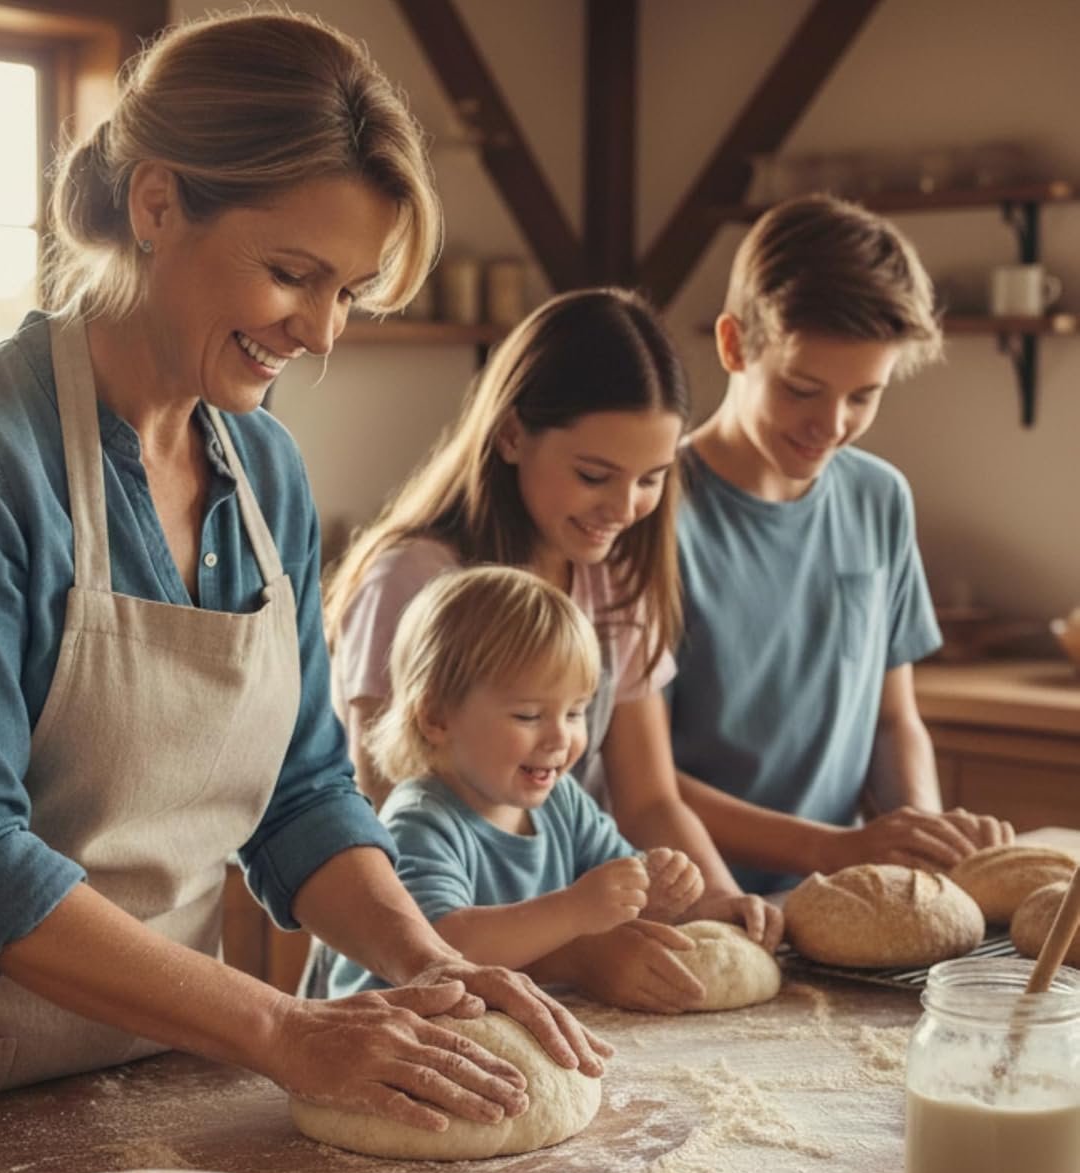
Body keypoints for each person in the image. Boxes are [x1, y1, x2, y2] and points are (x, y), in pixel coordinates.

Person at [0, 9, 609, 1146]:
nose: (320, 331)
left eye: (348, 290)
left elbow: (305, 798)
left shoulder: (265, 472)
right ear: (156, 205)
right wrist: (282, 1033)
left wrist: (434, 964)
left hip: (160, 1075)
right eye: (292, 275)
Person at [321, 289, 780, 1015]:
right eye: (595, 475)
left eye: (653, 478)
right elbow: (385, 841)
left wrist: (716, 901)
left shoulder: (614, 575)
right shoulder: (415, 580)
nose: (625, 508)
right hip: (423, 986)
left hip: (543, 983)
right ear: (510, 435)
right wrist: (578, 946)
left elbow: (651, 798)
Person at [670, 194, 1013, 894]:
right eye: (802, 389)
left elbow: (893, 722)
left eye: (864, 396)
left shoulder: (879, 498)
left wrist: (919, 828)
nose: (831, 423)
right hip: (691, 911)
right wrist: (840, 848)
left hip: (835, 904)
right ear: (734, 344)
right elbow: (629, 780)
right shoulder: (651, 510)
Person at [323, 567, 707, 1000]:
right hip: (392, 1032)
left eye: (576, 712)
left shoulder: (563, 802)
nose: (561, 737)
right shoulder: (419, 822)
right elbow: (440, 950)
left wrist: (656, 892)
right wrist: (577, 909)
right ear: (436, 718)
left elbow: (619, 898)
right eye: (528, 716)